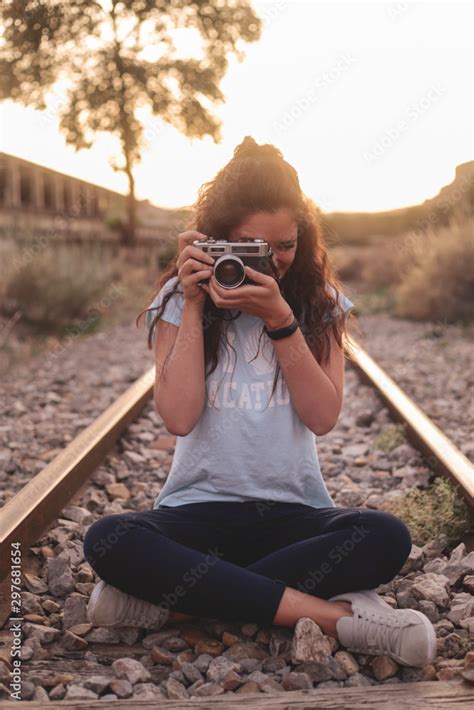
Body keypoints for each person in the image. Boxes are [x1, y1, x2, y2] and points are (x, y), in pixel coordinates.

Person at [84, 137, 436, 668]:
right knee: (109, 539)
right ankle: (338, 619)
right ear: (217, 240)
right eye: (251, 246)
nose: (272, 262)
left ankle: (179, 604)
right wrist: (197, 304)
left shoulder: (317, 303)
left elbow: (323, 416)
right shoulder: (180, 302)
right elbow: (178, 417)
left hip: (294, 514)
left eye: (285, 245)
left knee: (385, 536)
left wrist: (280, 321)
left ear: (303, 236)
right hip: (196, 514)